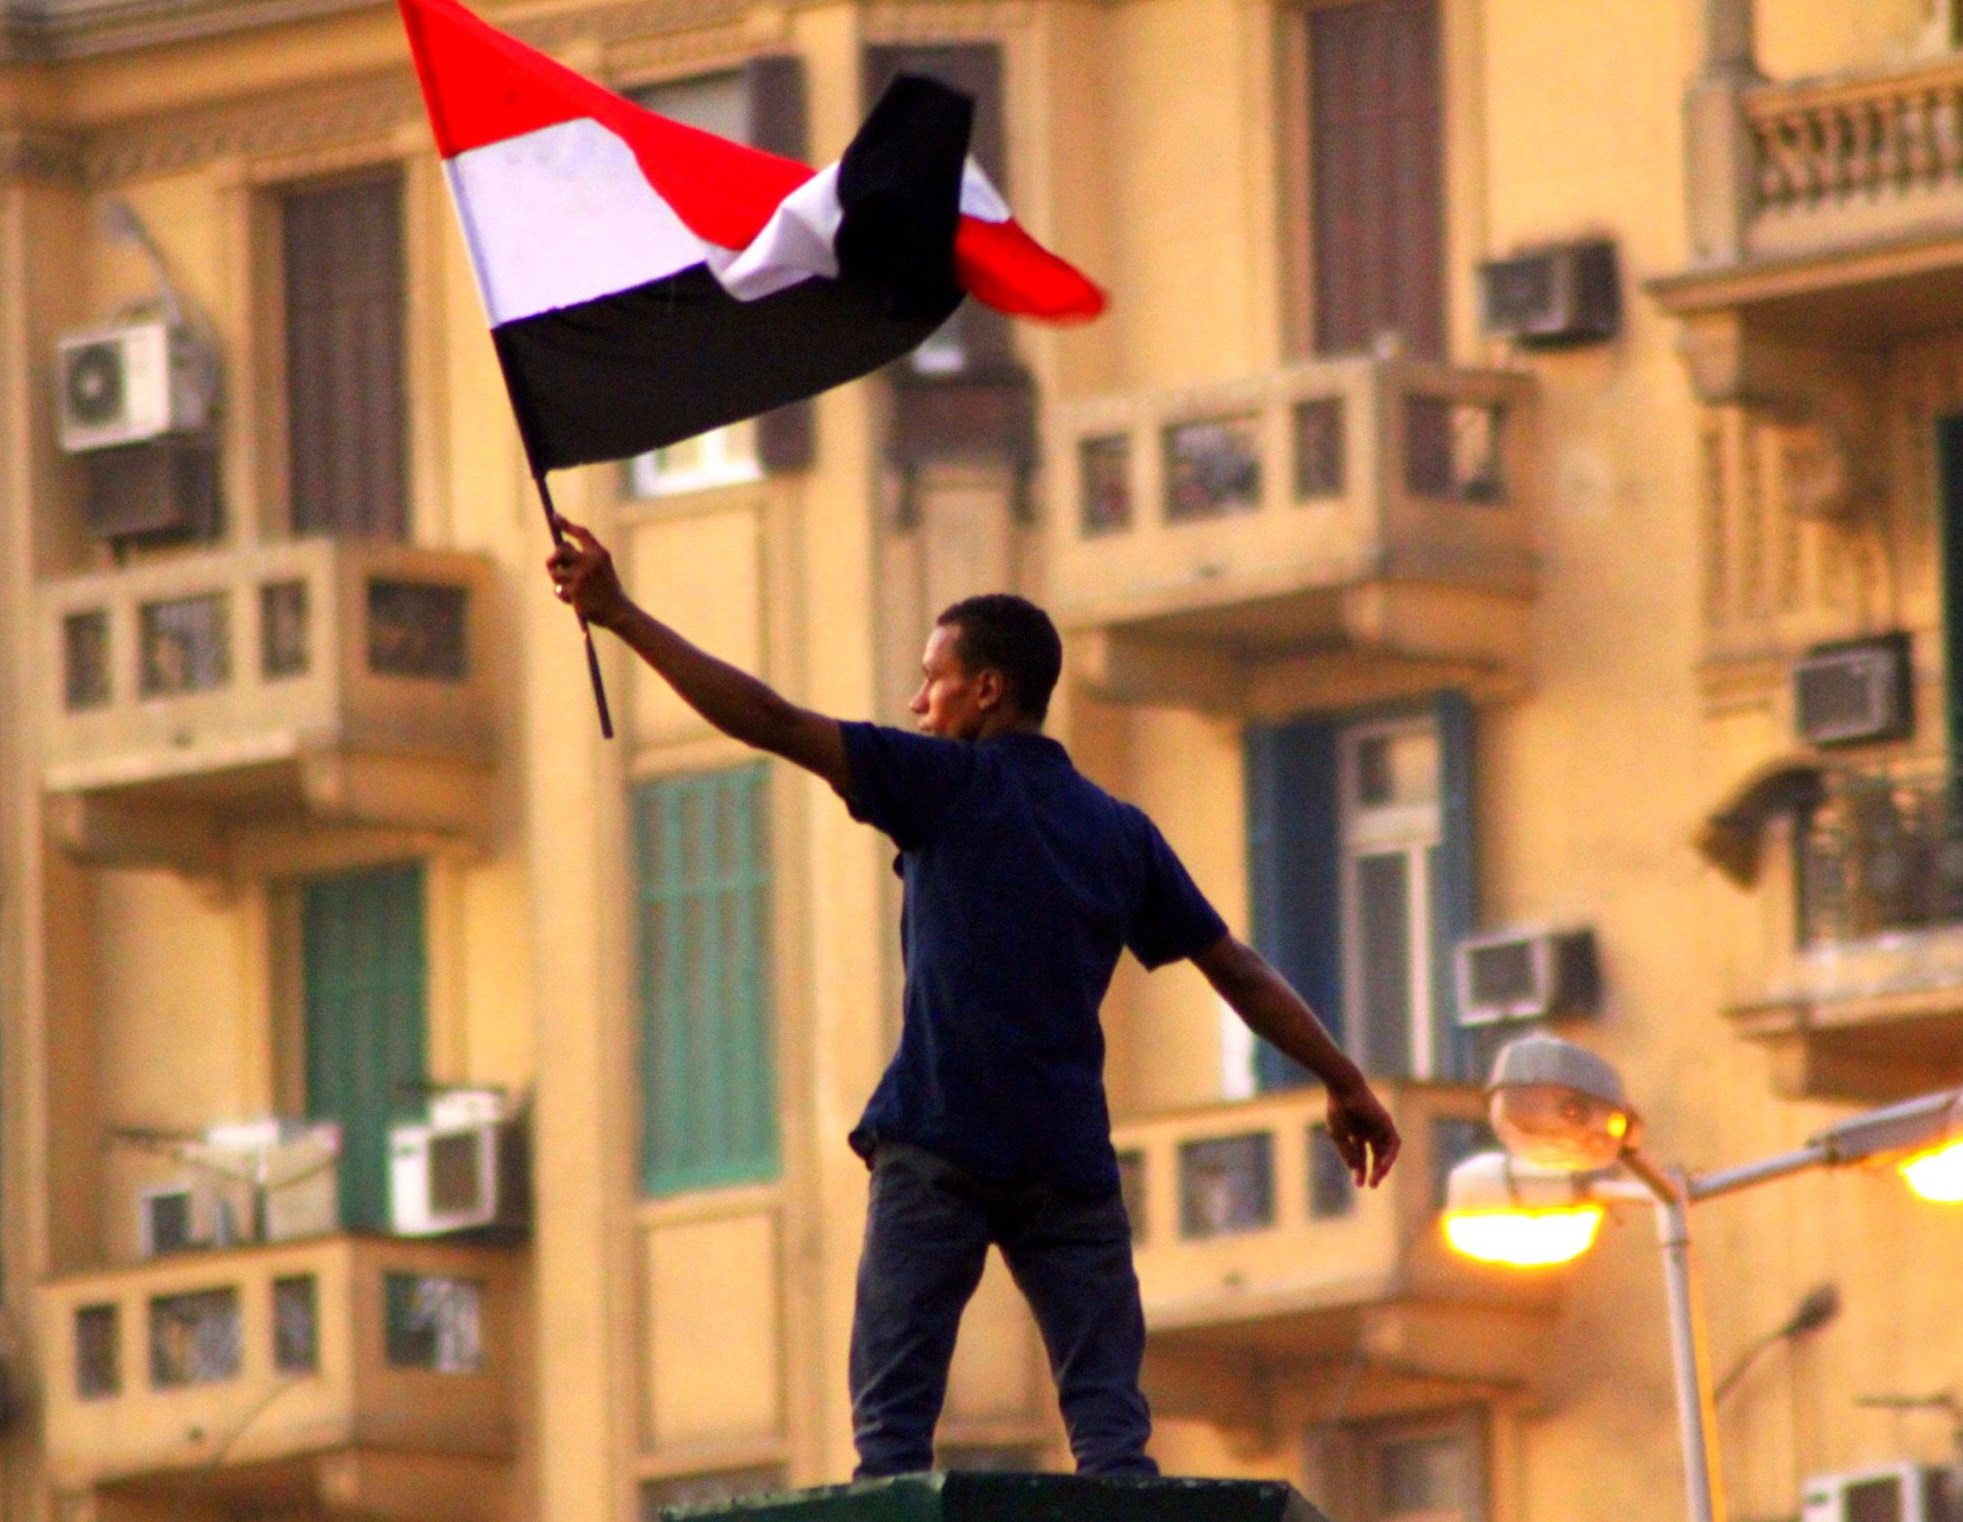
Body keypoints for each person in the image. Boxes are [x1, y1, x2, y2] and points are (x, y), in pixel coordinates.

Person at [546, 516, 1401, 1478]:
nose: (916, 702)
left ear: (986, 689)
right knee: (1114, 1442)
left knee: (892, 1439)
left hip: (940, 1140)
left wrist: (620, 616)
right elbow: (1237, 968)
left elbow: (771, 719)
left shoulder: (943, 784)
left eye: (932, 678)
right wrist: (1344, 1081)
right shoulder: (1120, 832)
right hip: (1067, 1163)